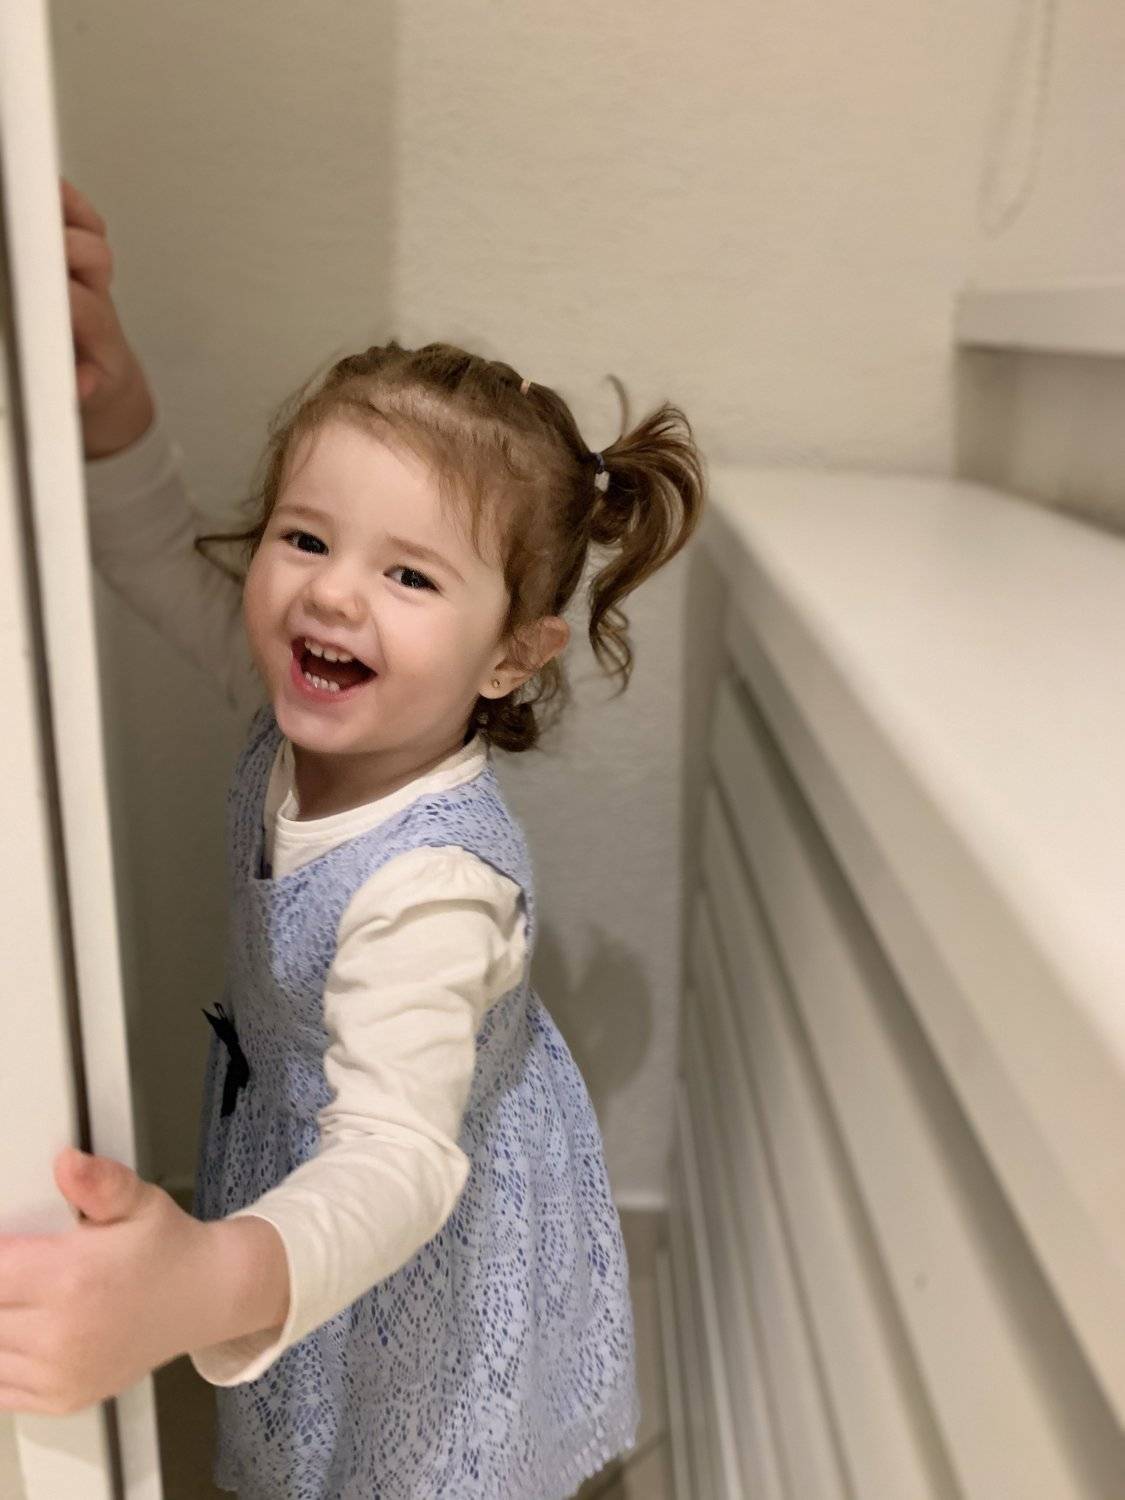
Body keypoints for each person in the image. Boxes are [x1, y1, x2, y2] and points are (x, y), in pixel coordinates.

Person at [7, 178, 704, 1499]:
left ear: (512, 655)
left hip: (417, 1219)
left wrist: (199, 1282)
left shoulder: (433, 889)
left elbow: (393, 1166)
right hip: (311, 1168)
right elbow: (150, 547)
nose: (331, 591)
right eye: (306, 536)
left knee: (411, 1452)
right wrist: (108, 399)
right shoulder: (299, 703)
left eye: (409, 574)